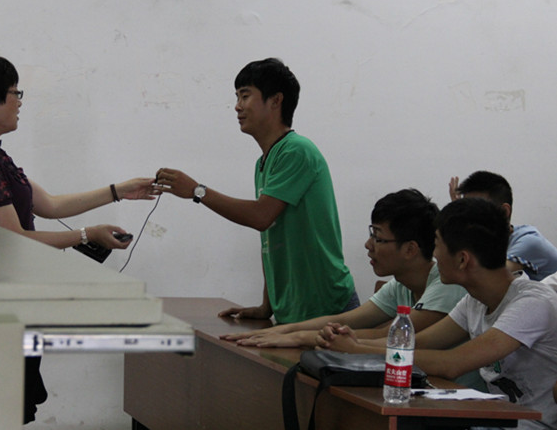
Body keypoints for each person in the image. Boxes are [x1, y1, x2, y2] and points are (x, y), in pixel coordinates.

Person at [0, 52, 158, 424]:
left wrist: (118, 191)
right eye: (15, 92)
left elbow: (51, 204)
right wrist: (86, 235)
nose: (20, 101)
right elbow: (14, 239)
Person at [317, 198, 557, 430]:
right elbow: (417, 343)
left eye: (437, 244)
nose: (434, 254)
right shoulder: (474, 301)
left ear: (462, 260)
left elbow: (452, 363)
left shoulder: (532, 303)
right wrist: (351, 343)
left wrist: (355, 349)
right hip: (490, 421)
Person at [155, 58, 357, 324]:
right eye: (237, 97)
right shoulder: (264, 162)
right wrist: (267, 306)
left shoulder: (297, 150)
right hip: (292, 310)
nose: (237, 106)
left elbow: (261, 216)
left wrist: (197, 190)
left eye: (245, 95)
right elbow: (270, 236)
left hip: (325, 307)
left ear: (275, 101)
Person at [220, 189, 468, 348]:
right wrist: (281, 330)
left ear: (410, 249)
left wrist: (298, 337)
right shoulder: (400, 285)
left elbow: (388, 338)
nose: (368, 245)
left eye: (378, 238)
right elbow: (345, 319)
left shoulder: (446, 285)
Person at [449, 171, 557, 281]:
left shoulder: (528, 242)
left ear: (504, 212)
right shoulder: (495, 241)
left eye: (476, 212)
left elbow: (489, 279)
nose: (469, 220)